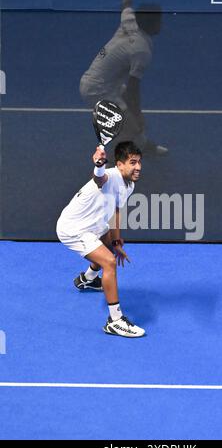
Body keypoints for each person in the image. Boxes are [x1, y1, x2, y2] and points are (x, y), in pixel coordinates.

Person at [56, 141, 145, 338]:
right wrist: (99, 164)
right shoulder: (111, 176)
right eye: (132, 162)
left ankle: (86, 280)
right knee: (110, 262)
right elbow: (99, 178)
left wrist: (116, 242)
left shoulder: (128, 184)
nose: (138, 167)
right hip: (74, 229)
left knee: (111, 247)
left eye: (139, 162)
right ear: (119, 164)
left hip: (93, 224)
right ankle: (115, 321)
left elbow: (115, 211)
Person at [79, 0, 168, 162]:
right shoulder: (141, 50)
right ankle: (111, 168)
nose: (161, 24)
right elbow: (133, 88)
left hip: (106, 82)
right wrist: (137, 113)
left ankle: (143, 144)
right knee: (129, 127)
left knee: (133, 123)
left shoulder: (130, 21)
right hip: (97, 89)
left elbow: (126, 4)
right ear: (150, 24)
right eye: (158, 21)